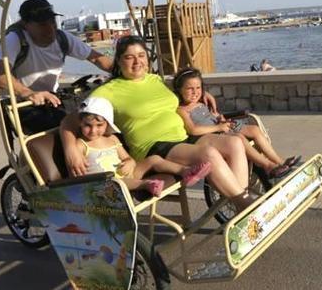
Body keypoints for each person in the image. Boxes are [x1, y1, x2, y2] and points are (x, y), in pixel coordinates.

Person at [60, 36, 257, 211]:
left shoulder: (155, 80)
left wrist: (200, 95)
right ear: (119, 61)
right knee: (208, 155)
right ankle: (245, 205)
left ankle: (240, 201)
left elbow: (180, 92)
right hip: (154, 147)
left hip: (184, 137)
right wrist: (71, 149)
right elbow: (71, 119)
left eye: (141, 55)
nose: (137, 61)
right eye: (129, 57)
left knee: (235, 143)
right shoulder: (108, 91)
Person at [0, 0, 114, 134]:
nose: (50, 28)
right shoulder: (15, 39)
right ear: (26, 24)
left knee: (90, 124)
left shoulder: (63, 38)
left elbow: (97, 59)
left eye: (52, 22)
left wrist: (124, 71)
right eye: (42, 24)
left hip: (51, 99)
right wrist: (28, 93)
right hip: (21, 102)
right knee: (66, 132)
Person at [173, 67, 300, 180]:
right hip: (211, 134)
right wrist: (218, 126)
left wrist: (219, 118)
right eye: (190, 89)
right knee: (239, 138)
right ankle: (268, 166)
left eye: (198, 88)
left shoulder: (202, 102)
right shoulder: (182, 110)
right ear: (180, 90)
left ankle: (280, 162)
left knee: (254, 129)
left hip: (221, 126)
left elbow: (211, 115)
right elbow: (193, 130)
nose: (195, 92)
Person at [72, 95, 212, 197]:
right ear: (80, 123)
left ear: (107, 124)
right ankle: (146, 185)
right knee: (116, 181)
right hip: (105, 185)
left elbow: (129, 159)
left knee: (154, 159)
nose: (93, 130)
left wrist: (129, 163)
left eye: (99, 125)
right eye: (87, 125)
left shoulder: (112, 139)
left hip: (126, 174)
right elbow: (76, 172)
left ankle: (185, 171)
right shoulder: (81, 145)